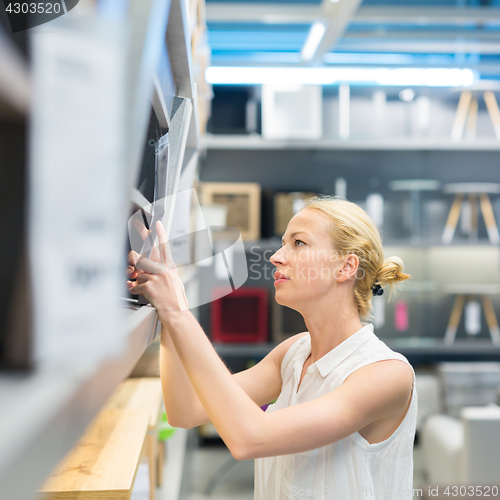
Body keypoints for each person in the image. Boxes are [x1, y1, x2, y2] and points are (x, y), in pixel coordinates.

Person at [127, 195, 416, 500]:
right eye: (282, 243)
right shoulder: (293, 354)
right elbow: (185, 411)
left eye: (299, 243)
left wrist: (178, 310)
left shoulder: (385, 375)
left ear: (346, 267)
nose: (276, 256)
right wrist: (170, 309)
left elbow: (249, 438)